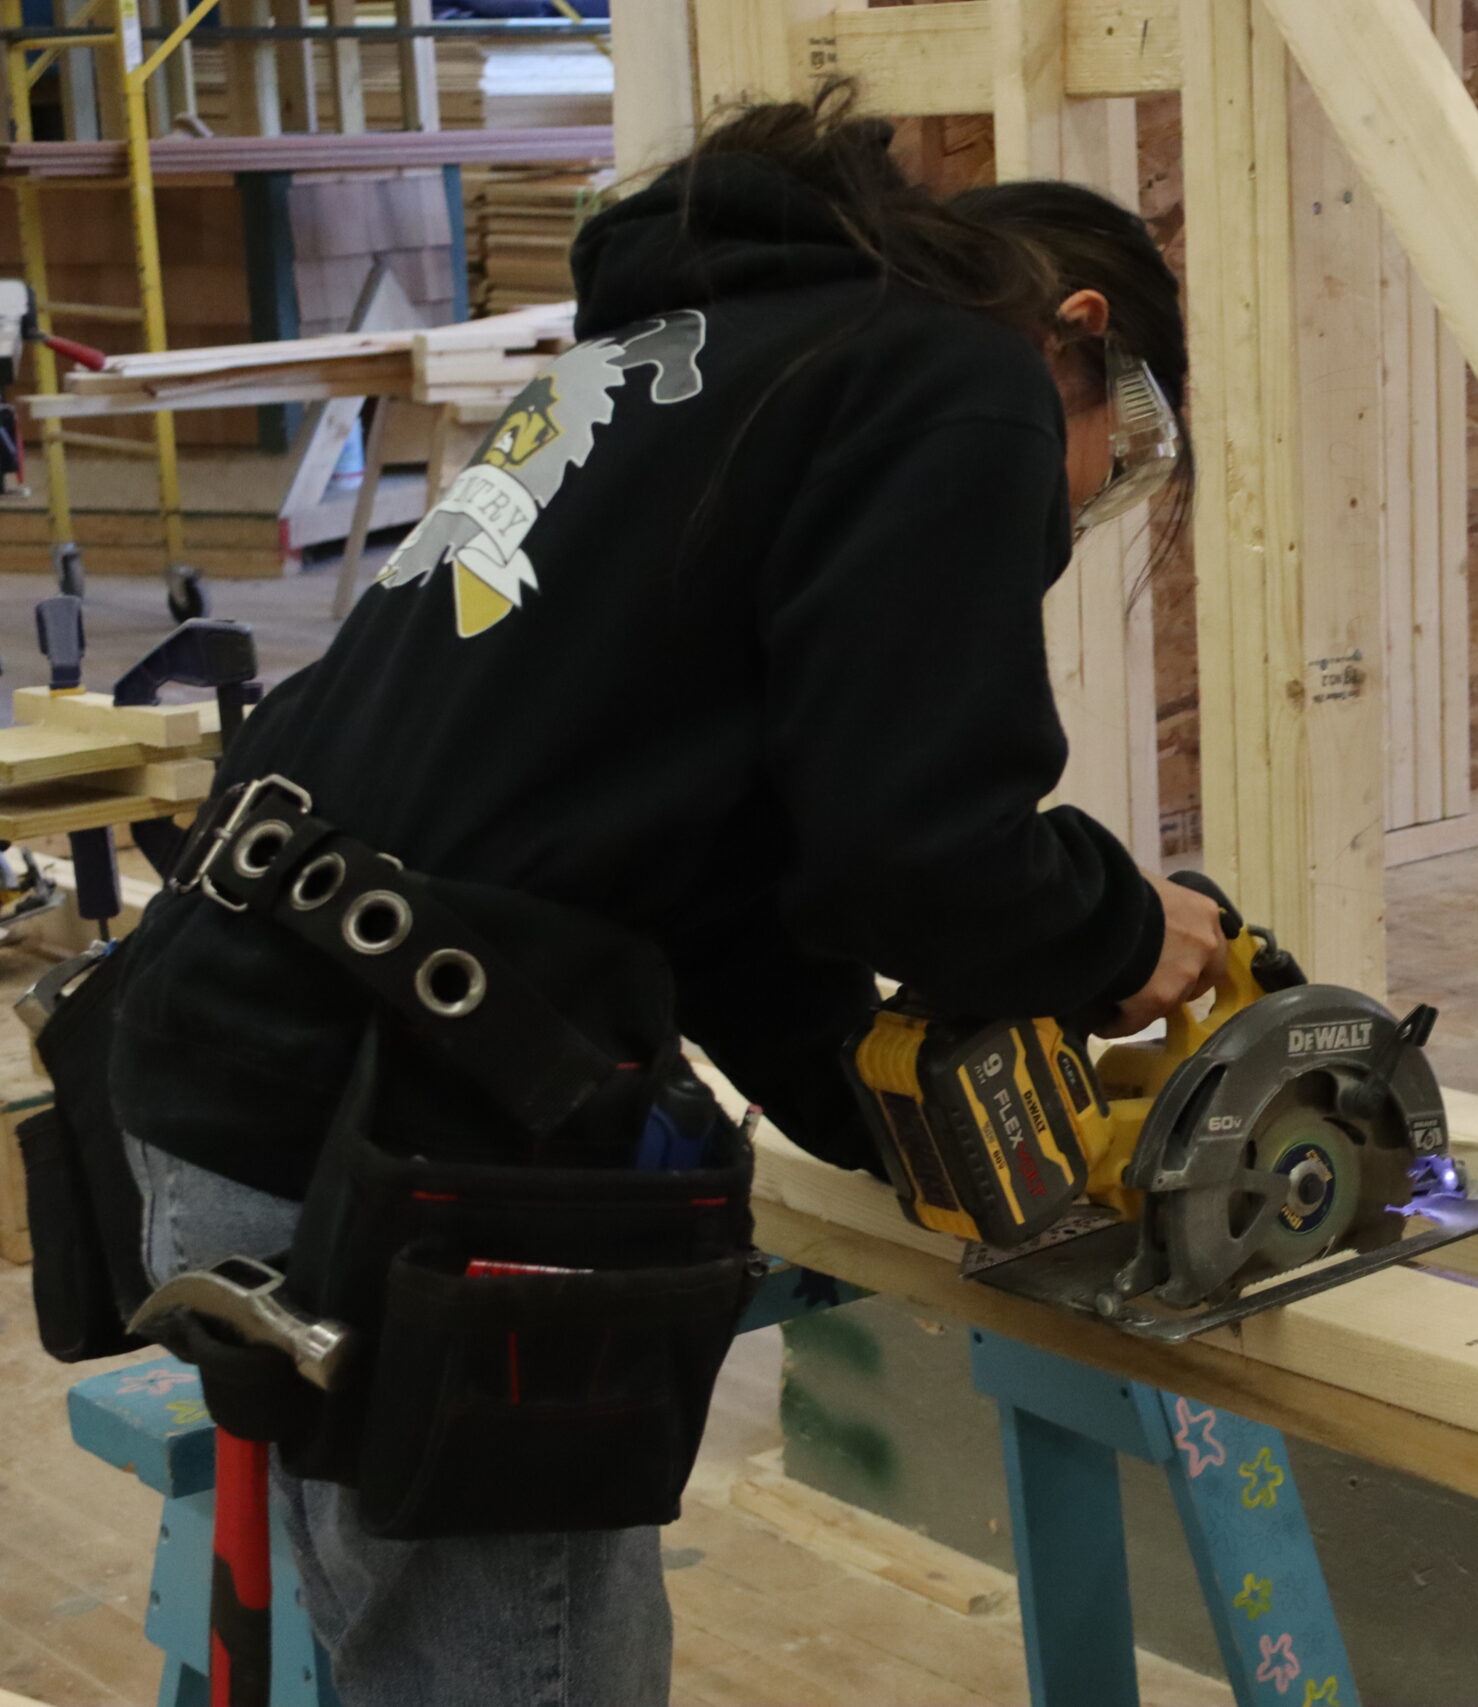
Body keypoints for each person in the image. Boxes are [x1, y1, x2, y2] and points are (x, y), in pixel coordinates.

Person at [103, 80, 1227, 1707]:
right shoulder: (964, 371)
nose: (1068, 509)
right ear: (1078, 330)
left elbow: (709, 885)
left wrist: (892, 1116)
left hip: (233, 1073)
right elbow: (916, 846)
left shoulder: (684, 372)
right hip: (402, 1136)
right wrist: (1124, 933)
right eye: (1106, 460)